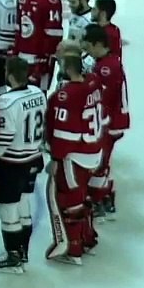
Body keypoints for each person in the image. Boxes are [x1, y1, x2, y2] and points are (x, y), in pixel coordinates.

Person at [0, 58, 47, 272]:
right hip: (33, 157)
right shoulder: (38, 93)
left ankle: (12, 254)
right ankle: (23, 251)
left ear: (9, 74)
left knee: (7, 207)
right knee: (23, 203)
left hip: (12, 161)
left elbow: (3, 140)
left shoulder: (6, 102)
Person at [45, 54, 104, 265]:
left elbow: (65, 133)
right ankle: (87, 238)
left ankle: (74, 249)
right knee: (83, 196)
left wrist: (56, 159)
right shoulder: (93, 84)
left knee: (67, 199)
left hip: (75, 156)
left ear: (68, 69)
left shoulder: (67, 95)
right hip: (94, 150)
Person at [84, 24, 128, 219]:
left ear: (98, 44)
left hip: (111, 123)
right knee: (103, 162)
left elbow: (106, 100)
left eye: (89, 45)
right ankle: (106, 196)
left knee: (100, 164)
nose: (87, 48)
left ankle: (99, 201)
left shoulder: (106, 68)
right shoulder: (108, 62)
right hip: (114, 120)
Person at [14, 0, 64, 90]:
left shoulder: (51, 1)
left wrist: (45, 58)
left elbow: (54, 34)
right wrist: (14, 52)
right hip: (22, 58)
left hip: (40, 59)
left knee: (39, 94)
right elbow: (18, 29)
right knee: (20, 92)